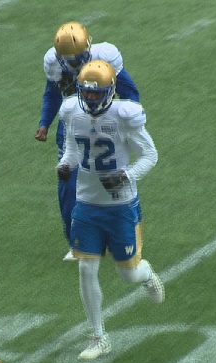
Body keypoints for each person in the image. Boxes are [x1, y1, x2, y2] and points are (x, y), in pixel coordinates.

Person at [56, 60, 164, 360]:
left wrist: (126, 174)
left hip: (120, 204)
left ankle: (146, 274)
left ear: (110, 91)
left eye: (96, 94)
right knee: (85, 268)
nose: (90, 100)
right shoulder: (71, 112)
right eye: (86, 94)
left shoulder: (124, 115)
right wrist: (66, 166)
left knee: (127, 274)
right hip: (87, 202)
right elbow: (74, 150)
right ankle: (98, 336)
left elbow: (150, 155)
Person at [34, 22, 140, 261]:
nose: (75, 65)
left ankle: (118, 234)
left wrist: (128, 124)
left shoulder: (106, 58)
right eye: (69, 61)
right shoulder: (53, 62)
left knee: (111, 180)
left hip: (107, 124)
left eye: (79, 58)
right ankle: (77, 241)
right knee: (68, 181)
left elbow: (130, 92)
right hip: (73, 124)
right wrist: (44, 123)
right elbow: (52, 94)